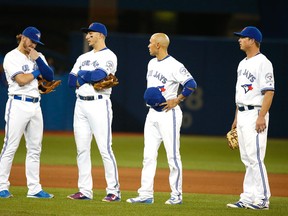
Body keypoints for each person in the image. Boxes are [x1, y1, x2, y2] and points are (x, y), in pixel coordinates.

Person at [126, 33, 197, 204]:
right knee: (148, 156)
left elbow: (191, 84)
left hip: (168, 114)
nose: (148, 46)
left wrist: (177, 99)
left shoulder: (174, 65)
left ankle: (176, 195)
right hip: (152, 114)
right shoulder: (151, 63)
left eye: (150, 43)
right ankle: (145, 194)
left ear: (158, 45)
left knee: (173, 156)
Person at [67, 22, 121, 201]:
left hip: (99, 104)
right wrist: (87, 76)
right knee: (81, 149)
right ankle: (85, 190)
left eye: (90, 33)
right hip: (80, 105)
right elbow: (70, 81)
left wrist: (82, 76)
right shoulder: (83, 57)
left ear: (100, 35)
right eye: (86, 34)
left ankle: (113, 191)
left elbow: (98, 76)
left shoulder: (110, 56)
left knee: (105, 148)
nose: (87, 36)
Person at [0, 26, 54, 198]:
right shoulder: (11, 57)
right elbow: (22, 80)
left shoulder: (37, 56)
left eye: (36, 43)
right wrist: (38, 69)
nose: (34, 45)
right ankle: (1, 186)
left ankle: (34, 189)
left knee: (35, 149)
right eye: (32, 41)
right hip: (18, 104)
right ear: (23, 38)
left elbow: (50, 76)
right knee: (10, 146)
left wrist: (37, 59)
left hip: (36, 105)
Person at [226, 26, 274, 210]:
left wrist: (261, 116)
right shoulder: (242, 63)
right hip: (243, 113)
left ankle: (262, 199)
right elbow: (240, 94)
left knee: (255, 157)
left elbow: (269, 92)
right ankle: (248, 197)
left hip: (256, 113)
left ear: (252, 40)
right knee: (246, 158)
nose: (239, 40)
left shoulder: (264, 62)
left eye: (242, 37)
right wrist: (237, 117)